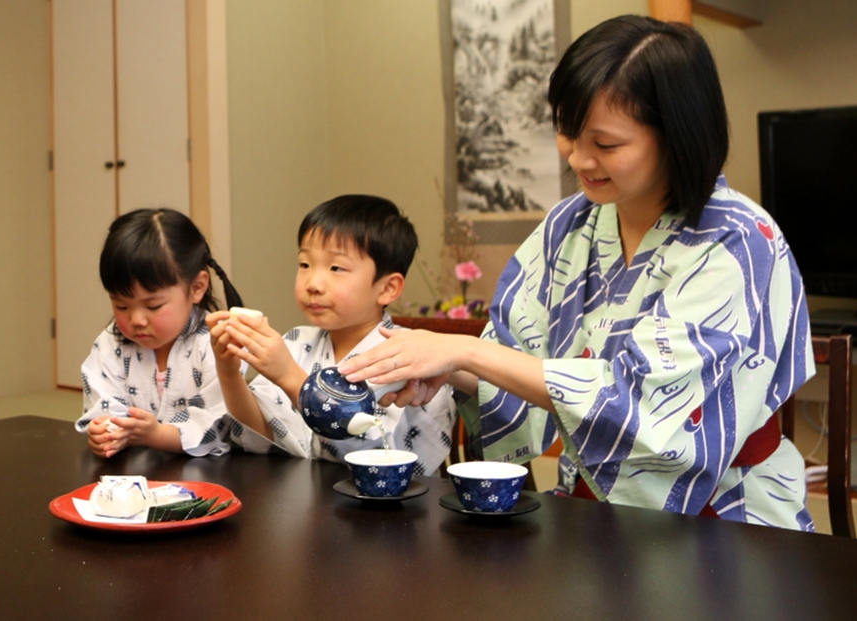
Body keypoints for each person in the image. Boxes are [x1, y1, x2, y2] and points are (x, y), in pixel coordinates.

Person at [338, 15, 816, 530]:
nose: (579, 159)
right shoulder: (570, 225)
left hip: (726, 513)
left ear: (677, 135)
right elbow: (516, 359)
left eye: (606, 145)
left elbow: (643, 407)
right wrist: (443, 366)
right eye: (567, 132)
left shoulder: (737, 240)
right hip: (591, 508)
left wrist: (466, 351)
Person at [206, 195, 456, 475]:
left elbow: (377, 459)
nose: (313, 283)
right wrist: (229, 372)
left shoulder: (410, 356)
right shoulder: (296, 341)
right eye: (304, 264)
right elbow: (262, 435)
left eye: (336, 268)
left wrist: (289, 375)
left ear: (387, 288)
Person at [75, 208, 245, 458]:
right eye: (121, 306)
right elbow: (103, 405)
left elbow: (217, 424)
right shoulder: (111, 343)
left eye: (153, 306)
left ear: (197, 287)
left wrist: (157, 435)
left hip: (207, 474)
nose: (136, 320)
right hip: (134, 473)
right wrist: (104, 432)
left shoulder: (216, 343)